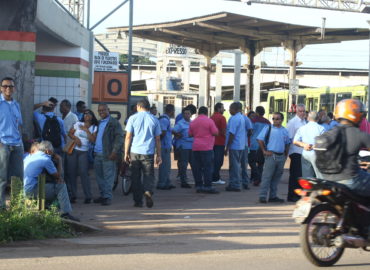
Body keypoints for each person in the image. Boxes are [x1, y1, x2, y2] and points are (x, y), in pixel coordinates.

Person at [319, 99, 370, 197]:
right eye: (361, 114)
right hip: (350, 178)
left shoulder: (330, 132)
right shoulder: (359, 134)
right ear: (355, 115)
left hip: (326, 178)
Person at [23, 141, 79, 221]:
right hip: (32, 191)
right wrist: (59, 160)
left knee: (50, 184)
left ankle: (47, 207)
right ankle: (65, 213)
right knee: (61, 186)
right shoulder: (46, 159)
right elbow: (58, 175)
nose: (52, 154)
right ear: (47, 151)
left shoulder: (29, 157)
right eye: (52, 153)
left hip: (25, 190)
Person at [125, 99, 162, 208]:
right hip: (148, 152)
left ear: (138, 106)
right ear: (148, 107)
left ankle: (137, 201)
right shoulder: (154, 120)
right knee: (148, 175)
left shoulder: (132, 118)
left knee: (135, 177)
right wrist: (158, 155)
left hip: (134, 151)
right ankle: (148, 191)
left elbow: (128, 137)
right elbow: (158, 139)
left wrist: (126, 153)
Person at [0, 77, 24, 209]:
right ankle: (1, 207)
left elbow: (19, 124)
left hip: (17, 145)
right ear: (0, 88)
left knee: (18, 178)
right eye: (5, 86)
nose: (8, 88)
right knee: (2, 178)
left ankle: (17, 207)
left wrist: (21, 141)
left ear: (14, 88)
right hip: (3, 144)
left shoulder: (16, 105)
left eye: (10, 86)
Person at [93, 103, 124, 206]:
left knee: (108, 177)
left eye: (103, 110)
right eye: (99, 111)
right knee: (99, 177)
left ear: (108, 110)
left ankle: (107, 197)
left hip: (108, 154)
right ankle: (103, 195)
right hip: (97, 154)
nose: (101, 112)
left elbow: (119, 138)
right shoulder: (99, 123)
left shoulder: (114, 123)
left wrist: (114, 152)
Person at [66, 109, 98, 204]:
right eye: (85, 114)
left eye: (88, 114)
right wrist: (76, 139)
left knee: (84, 173)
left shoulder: (94, 127)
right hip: (73, 151)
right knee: (72, 173)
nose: (86, 116)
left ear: (92, 116)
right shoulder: (77, 123)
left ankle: (88, 196)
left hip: (84, 152)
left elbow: (93, 140)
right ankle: (73, 195)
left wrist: (86, 130)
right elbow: (70, 133)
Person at [258, 112, 290, 203]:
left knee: (276, 178)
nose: (275, 120)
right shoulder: (268, 128)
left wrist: (285, 156)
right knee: (267, 177)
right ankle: (263, 196)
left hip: (281, 157)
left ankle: (273, 196)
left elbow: (287, 143)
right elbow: (260, 139)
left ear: (282, 120)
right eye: (274, 119)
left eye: (277, 119)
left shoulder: (285, 130)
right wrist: (264, 151)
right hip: (271, 156)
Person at [189, 106, 219, 194]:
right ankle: (208, 186)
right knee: (207, 167)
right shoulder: (209, 121)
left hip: (196, 147)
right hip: (207, 147)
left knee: (197, 167)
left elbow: (190, 134)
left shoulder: (193, 122)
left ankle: (199, 185)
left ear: (198, 112)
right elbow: (215, 132)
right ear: (206, 112)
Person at [293, 111, 325, 178]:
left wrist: (304, 145)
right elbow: (324, 143)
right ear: (318, 118)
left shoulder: (302, 128)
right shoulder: (321, 128)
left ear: (308, 118)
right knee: (320, 178)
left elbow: (295, 141)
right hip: (317, 155)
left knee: (307, 178)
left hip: (306, 154)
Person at [224, 102, 247, 192]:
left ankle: (235, 184)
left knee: (234, 166)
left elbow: (231, 134)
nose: (229, 110)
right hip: (240, 145)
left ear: (235, 109)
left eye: (230, 108)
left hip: (234, 145)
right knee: (236, 165)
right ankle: (235, 183)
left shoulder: (234, 119)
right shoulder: (241, 117)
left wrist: (227, 147)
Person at [286, 104, 306, 202]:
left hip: (303, 152)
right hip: (295, 152)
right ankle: (292, 195)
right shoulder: (292, 122)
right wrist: (288, 152)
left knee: (300, 175)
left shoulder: (305, 122)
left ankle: (298, 195)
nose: (302, 113)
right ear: (296, 112)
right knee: (295, 175)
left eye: (303, 111)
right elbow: (289, 138)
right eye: (300, 111)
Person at [248, 106, 270, 186]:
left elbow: (250, 131)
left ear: (257, 112)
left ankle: (257, 177)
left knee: (251, 161)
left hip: (253, 144)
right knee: (260, 163)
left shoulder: (253, 121)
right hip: (263, 145)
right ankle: (258, 178)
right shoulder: (267, 122)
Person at [173, 108, 193, 188]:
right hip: (183, 146)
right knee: (183, 165)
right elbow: (173, 130)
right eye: (185, 113)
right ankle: (183, 181)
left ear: (191, 114)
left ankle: (197, 180)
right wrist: (178, 135)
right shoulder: (180, 123)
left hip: (192, 146)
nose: (186, 115)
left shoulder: (192, 123)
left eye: (188, 113)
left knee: (193, 164)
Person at [157, 104, 175, 190]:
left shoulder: (165, 119)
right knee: (164, 166)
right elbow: (163, 132)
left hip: (166, 145)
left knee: (167, 166)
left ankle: (166, 182)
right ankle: (162, 183)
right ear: (171, 111)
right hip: (164, 146)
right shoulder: (164, 119)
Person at [210, 102, 227, 185]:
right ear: (219, 108)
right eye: (222, 108)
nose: (223, 110)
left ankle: (212, 176)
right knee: (219, 161)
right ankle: (216, 178)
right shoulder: (222, 118)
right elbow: (224, 131)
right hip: (220, 142)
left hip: (211, 142)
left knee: (212, 161)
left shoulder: (211, 117)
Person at [240, 108, 254, 190]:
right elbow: (250, 131)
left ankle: (242, 181)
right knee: (243, 164)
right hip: (244, 144)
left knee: (238, 165)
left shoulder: (233, 118)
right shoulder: (246, 119)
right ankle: (244, 182)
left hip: (239, 145)